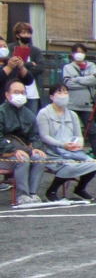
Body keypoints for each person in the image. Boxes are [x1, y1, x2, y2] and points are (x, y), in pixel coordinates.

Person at [36, 83, 96, 202]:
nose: (63, 95)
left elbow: (78, 135)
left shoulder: (72, 115)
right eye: (59, 92)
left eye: (65, 92)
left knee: (93, 164)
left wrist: (78, 144)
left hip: (72, 151)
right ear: (51, 96)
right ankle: (52, 191)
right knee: (69, 165)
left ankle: (80, 189)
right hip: (52, 152)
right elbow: (44, 136)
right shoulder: (44, 113)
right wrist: (62, 145)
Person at [0, 77, 49, 206]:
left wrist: (37, 148)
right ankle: (22, 195)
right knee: (22, 158)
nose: (20, 95)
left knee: (39, 157)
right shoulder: (1, 112)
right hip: (4, 155)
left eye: (22, 92)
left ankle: (32, 193)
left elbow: (35, 136)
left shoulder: (29, 114)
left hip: (23, 150)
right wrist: (12, 151)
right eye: (16, 92)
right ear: (7, 94)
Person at [62, 43, 96, 160]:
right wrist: (86, 82)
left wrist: (76, 79)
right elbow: (68, 84)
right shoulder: (68, 67)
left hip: (87, 105)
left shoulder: (91, 65)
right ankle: (70, 155)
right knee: (71, 131)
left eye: (81, 52)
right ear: (72, 54)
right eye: (77, 52)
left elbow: (94, 80)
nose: (79, 54)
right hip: (72, 105)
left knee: (92, 131)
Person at [8, 21, 45, 104]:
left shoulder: (36, 50)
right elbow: (11, 64)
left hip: (32, 92)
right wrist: (30, 64)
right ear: (17, 35)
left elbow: (41, 67)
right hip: (14, 90)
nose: (27, 35)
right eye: (24, 33)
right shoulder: (10, 48)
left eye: (29, 33)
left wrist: (25, 71)